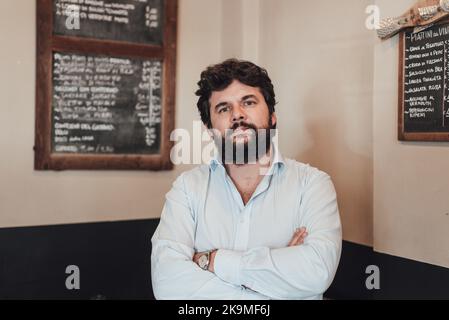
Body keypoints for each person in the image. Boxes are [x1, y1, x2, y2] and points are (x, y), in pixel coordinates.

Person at [151, 59, 342, 300]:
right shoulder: (187, 189)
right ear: (210, 129)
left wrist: (213, 260)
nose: (237, 115)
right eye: (223, 108)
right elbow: (168, 285)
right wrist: (274, 283)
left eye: (248, 102)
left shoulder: (312, 185)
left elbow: (317, 272)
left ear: (272, 116)